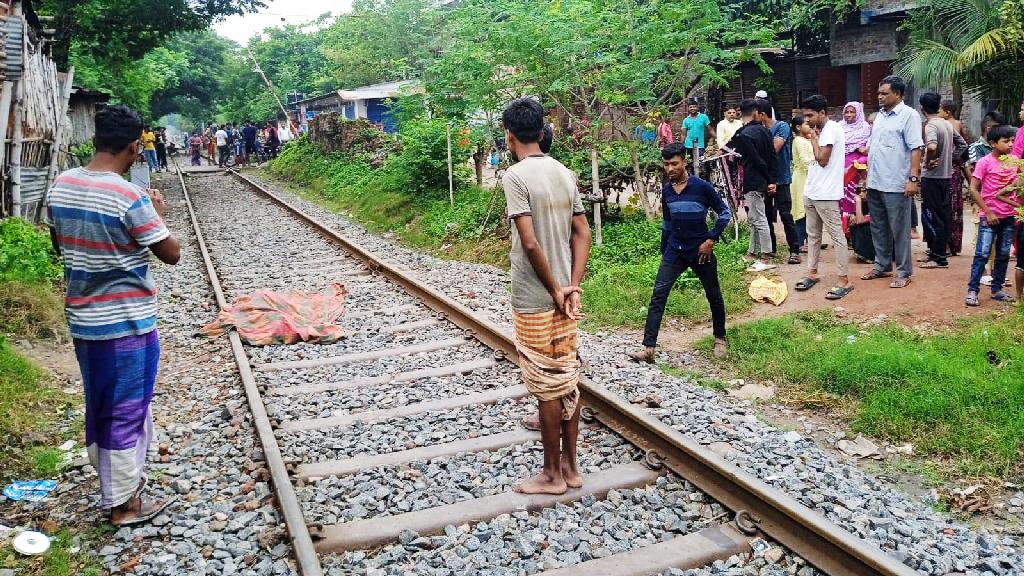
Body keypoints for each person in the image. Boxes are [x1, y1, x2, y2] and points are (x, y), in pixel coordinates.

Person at [44, 104, 181, 526]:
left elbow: (58, 245)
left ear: (93, 140)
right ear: (135, 146)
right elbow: (171, 253)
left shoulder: (60, 186)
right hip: (127, 322)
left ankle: (112, 481)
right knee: (127, 407)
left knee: (101, 402)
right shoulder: (129, 196)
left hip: (84, 321)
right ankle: (123, 504)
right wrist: (156, 211)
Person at [501, 98, 591, 495]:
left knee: (545, 382)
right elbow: (582, 233)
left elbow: (530, 241)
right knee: (566, 376)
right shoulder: (564, 172)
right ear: (541, 132)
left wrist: (554, 289)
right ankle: (572, 468)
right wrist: (572, 285)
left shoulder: (515, 176)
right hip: (565, 295)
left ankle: (551, 475)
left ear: (509, 135)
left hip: (535, 296)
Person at [629, 142, 731, 364]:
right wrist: (665, 250)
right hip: (675, 249)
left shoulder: (702, 187)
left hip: (700, 250)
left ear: (684, 162)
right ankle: (648, 348)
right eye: (666, 164)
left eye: (674, 164)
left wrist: (711, 238)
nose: (669, 169)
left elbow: (725, 212)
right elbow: (667, 222)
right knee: (658, 295)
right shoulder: (667, 190)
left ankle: (720, 338)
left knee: (713, 294)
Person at [862, 75, 924, 288]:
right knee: (878, 227)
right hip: (876, 181)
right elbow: (873, 149)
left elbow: (916, 148)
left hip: (896, 182)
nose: (879, 96)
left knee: (900, 229)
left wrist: (913, 179)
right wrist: (866, 180)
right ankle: (882, 265)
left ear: (898, 94)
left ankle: (904, 271)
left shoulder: (909, 116)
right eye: (879, 93)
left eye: (884, 93)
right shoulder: (879, 116)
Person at [794, 94, 853, 300]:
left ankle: (844, 279)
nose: (807, 120)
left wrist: (813, 138)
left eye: (810, 115)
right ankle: (812, 272)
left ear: (822, 113)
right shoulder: (822, 130)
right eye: (804, 115)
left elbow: (822, 159)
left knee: (837, 236)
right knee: (813, 236)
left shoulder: (830, 130)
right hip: (812, 190)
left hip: (826, 193)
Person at [966, 125, 1020, 305]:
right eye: (1006, 141)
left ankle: (997, 289)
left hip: (1009, 216)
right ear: (992, 143)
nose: (1010, 144)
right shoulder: (985, 162)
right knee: (982, 253)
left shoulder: (1014, 161)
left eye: (1012, 140)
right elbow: (973, 189)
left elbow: (1018, 186)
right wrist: (987, 211)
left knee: (1003, 254)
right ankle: (973, 290)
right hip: (989, 217)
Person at [727, 98, 777, 272]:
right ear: (756, 112)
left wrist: (766, 178)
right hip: (761, 180)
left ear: (741, 113)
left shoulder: (744, 135)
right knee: (754, 217)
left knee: (759, 218)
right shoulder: (764, 131)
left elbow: (757, 160)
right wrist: (771, 179)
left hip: (753, 180)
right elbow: (771, 157)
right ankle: (752, 253)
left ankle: (766, 256)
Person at [918, 92, 957, 269]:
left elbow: (932, 146)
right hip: (946, 176)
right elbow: (963, 144)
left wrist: (928, 161)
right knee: (942, 215)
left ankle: (938, 257)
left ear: (922, 108)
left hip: (932, 177)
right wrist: (948, 158)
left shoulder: (931, 125)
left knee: (932, 216)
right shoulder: (947, 124)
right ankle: (936, 253)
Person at [760, 99, 800, 263]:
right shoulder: (759, 129)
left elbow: (775, 148)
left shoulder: (782, 126)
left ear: (762, 115)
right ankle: (771, 249)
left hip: (781, 179)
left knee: (785, 215)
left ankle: (795, 250)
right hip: (764, 179)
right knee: (767, 216)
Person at [939, 99, 970, 255]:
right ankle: (953, 244)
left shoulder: (951, 124)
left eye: (940, 110)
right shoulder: (956, 124)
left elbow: (963, 145)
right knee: (953, 204)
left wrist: (951, 157)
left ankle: (945, 244)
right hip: (955, 168)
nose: (938, 112)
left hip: (949, 168)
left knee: (947, 204)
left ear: (947, 111)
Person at [840, 102, 871, 217]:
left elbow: (868, 148)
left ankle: (855, 217)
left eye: (852, 112)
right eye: (846, 112)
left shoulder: (865, 127)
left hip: (858, 165)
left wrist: (860, 149)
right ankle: (843, 218)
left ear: (858, 113)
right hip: (840, 163)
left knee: (855, 192)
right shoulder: (839, 126)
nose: (848, 115)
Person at [790, 115, 813, 251]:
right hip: (802, 178)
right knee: (801, 211)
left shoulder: (805, 140)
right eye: (806, 124)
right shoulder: (799, 141)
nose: (809, 126)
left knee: (808, 211)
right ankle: (799, 242)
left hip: (808, 177)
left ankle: (810, 239)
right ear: (798, 127)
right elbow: (806, 162)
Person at [680, 101, 712, 171]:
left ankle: (701, 179)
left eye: (694, 106)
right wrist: (680, 145)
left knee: (700, 164)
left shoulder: (704, 117)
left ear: (697, 107)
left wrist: (717, 139)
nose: (692, 108)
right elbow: (683, 134)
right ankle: (691, 179)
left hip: (700, 146)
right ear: (688, 108)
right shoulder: (686, 120)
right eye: (690, 107)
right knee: (689, 164)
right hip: (688, 145)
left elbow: (710, 130)